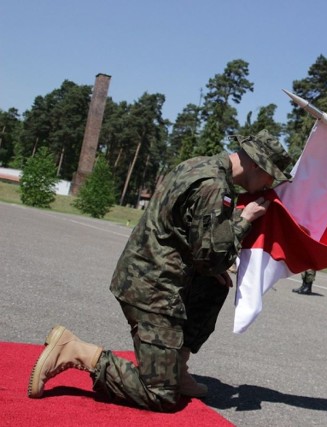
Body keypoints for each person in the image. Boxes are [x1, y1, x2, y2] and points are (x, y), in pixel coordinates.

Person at [28, 130, 292, 412]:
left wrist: (210, 265)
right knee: (160, 395)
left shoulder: (200, 164)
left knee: (214, 285)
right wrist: (244, 220)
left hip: (154, 273)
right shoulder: (215, 186)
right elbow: (211, 258)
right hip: (151, 288)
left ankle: (176, 368)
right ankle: (76, 351)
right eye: (270, 175)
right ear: (256, 164)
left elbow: (191, 238)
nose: (269, 184)